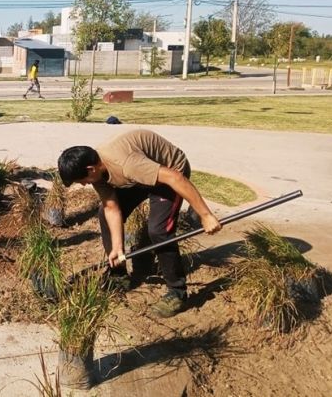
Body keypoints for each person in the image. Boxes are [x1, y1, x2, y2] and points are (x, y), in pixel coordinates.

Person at [57, 129, 222, 318]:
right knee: (104, 214)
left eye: (82, 181)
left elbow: (175, 178)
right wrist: (117, 248)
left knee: (159, 230)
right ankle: (118, 273)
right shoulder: (97, 171)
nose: (84, 185)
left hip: (170, 173)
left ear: (90, 169)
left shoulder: (126, 164)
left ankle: (177, 292)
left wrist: (206, 215)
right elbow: (112, 208)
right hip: (141, 178)